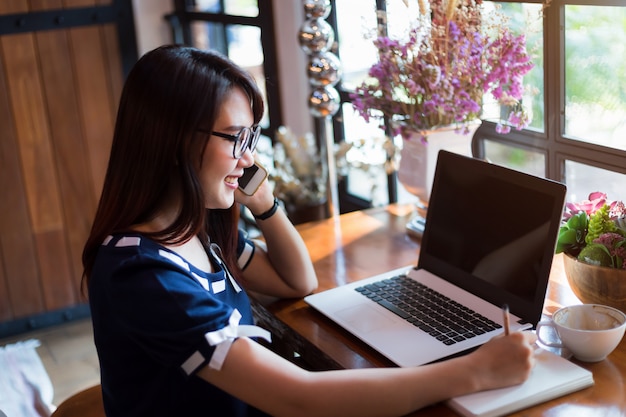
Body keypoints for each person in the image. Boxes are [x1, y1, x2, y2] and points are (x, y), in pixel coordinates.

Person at [82, 45, 537, 417]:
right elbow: (297, 398)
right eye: (235, 138)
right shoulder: (142, 274)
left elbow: (296, 281)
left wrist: (264, 203)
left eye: (250, 140)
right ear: (172, 140)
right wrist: (474, 371)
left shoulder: (195, 231)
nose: (248, 159)